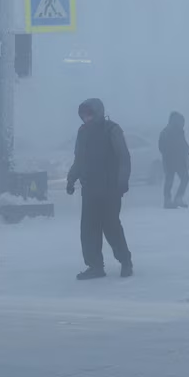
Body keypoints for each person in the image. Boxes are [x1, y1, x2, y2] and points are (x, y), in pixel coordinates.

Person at [66, 98, 133, 280]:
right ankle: (95, 266)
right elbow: (79, 159)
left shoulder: (112, 130)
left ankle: (125, 261)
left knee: (111, 227)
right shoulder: (82, 133)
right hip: (89, 189)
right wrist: (71, 178)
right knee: (88, 229)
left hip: (110, 189)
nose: (86, 118)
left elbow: (124, 157)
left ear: (98, 113)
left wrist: (122, 182)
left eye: (89, 114)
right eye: (83, 115)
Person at [159, 111, 189, 209]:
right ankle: (170, 200)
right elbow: (162, 147)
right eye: (181, 121)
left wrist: (186, 150)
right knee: (171, 179)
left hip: (178, 160)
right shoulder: (167, 132)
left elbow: (184, 144)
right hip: (171, 160)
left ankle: (175, 199)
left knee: (182, 178)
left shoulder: (178, 131)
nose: (182, 124)